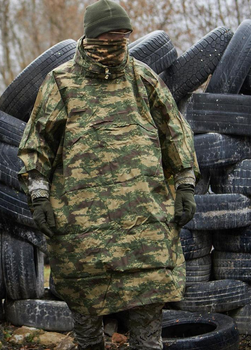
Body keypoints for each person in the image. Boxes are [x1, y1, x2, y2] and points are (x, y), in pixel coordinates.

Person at [17, 0, 200, 348]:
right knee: (87, 329)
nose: (116, 43)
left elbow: (175, 131)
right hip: (83, 232)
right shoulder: (62, 84)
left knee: (148, 331)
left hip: (144, 227)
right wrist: (39, 195)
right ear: (90, 38)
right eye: (108, 36)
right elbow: (36, 144)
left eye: (123, 36)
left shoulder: (142, 79)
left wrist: (186, 184)